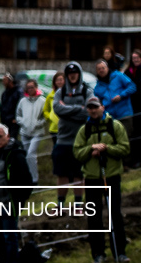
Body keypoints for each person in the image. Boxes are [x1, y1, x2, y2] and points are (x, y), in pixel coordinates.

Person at [74, 94, 129, 263]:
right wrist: (91, 149)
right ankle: (98, 253)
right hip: (91, 178)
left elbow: (125, 148)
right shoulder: (84, 130)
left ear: (102, 107)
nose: (93, 110)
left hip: (111, 176)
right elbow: (77, 152)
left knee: (115, 215)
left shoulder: (115, 126)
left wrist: (106, 149)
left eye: (95, 107)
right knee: (94, 216)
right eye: (90, 108)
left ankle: (120, 252)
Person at [0, 123, 32, 263]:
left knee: (9, 238)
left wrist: (18, 202)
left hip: (8, 204)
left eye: (0, 136)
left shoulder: (16, 155)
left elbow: (27, 181)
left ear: (8, 136)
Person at [52, 62, 93, 205]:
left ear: (79, 74)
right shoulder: (60, 92)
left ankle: (78, 204)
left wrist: (68, 110)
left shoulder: (86, 91)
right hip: (62, 139)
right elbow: (57, 109)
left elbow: (87, 111)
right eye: (70, 74)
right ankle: (60, 204)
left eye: (75, 73)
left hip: (80, 140)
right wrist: (78, 108)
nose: (72, 76)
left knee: (78, 174)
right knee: (62, 174)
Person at [93, 58, 136, 158]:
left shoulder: (118, 76)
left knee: (127, 138)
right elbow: (98, 103)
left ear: (107, 68)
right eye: (99, 69)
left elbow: (132, 87)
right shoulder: (97, 87)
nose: (101, 70)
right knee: (114, 140)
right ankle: (118, 162)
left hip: (125, 113)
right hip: (110, 117)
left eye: (103, 67)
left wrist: (121, 95)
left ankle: (128, 162)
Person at [15, 77, 47, 184]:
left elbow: (45, 116)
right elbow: (18, 114)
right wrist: (22, 122)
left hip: (37, 132)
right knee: (26, 155)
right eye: (28, 88)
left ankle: (34, 179)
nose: (30, 89)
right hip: (25, 132)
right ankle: (26, 177)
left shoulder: (42, 101)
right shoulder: (23, 101)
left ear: (36, 87)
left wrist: (38, 123)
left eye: (32, 87)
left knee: (31, 154)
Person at [0, 74, 23, 140]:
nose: (3, 83)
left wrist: (16, 118)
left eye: (5, 80)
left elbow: (20, 106)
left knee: (12, 139)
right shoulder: (4, 93)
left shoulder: (18, 92)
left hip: (13, 121)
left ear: (10, 81)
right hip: (5, 121)